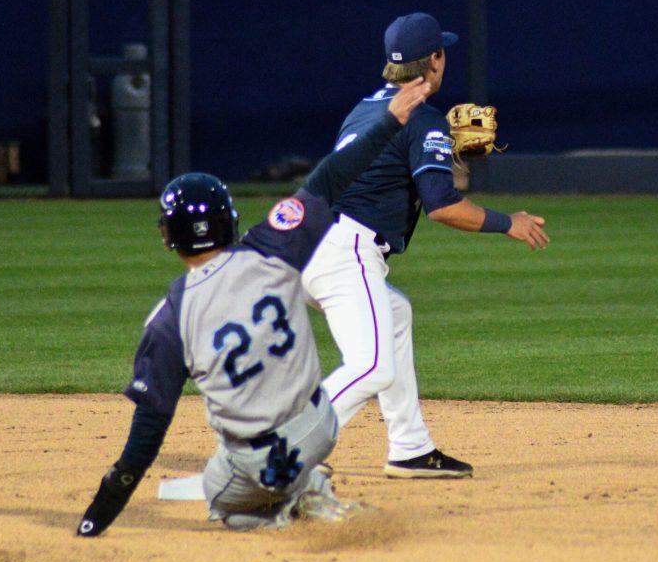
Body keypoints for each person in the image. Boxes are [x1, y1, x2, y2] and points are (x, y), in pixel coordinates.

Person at [75, 78, 433, 536]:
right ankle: (306, 486)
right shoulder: (272, 248)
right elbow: (329, 177)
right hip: (321, 427)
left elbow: (147, 434)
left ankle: (290, 502)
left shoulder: (171, 317)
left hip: (262, 463)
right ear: (231, 221)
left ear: (169, 238)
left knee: (219, 495)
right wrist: (391, 122)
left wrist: (99, 512)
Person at [302, 12, 549, 479]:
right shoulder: (423, 119)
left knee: (396, 314)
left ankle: (410, 446)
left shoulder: (367, 106)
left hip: (313, 242)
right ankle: (283, 451)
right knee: (372, 366)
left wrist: (438, 159)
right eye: (443, 52)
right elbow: (441, 206)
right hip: (345, 249)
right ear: (434, 59)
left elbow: (391, 177)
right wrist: (506, 222)